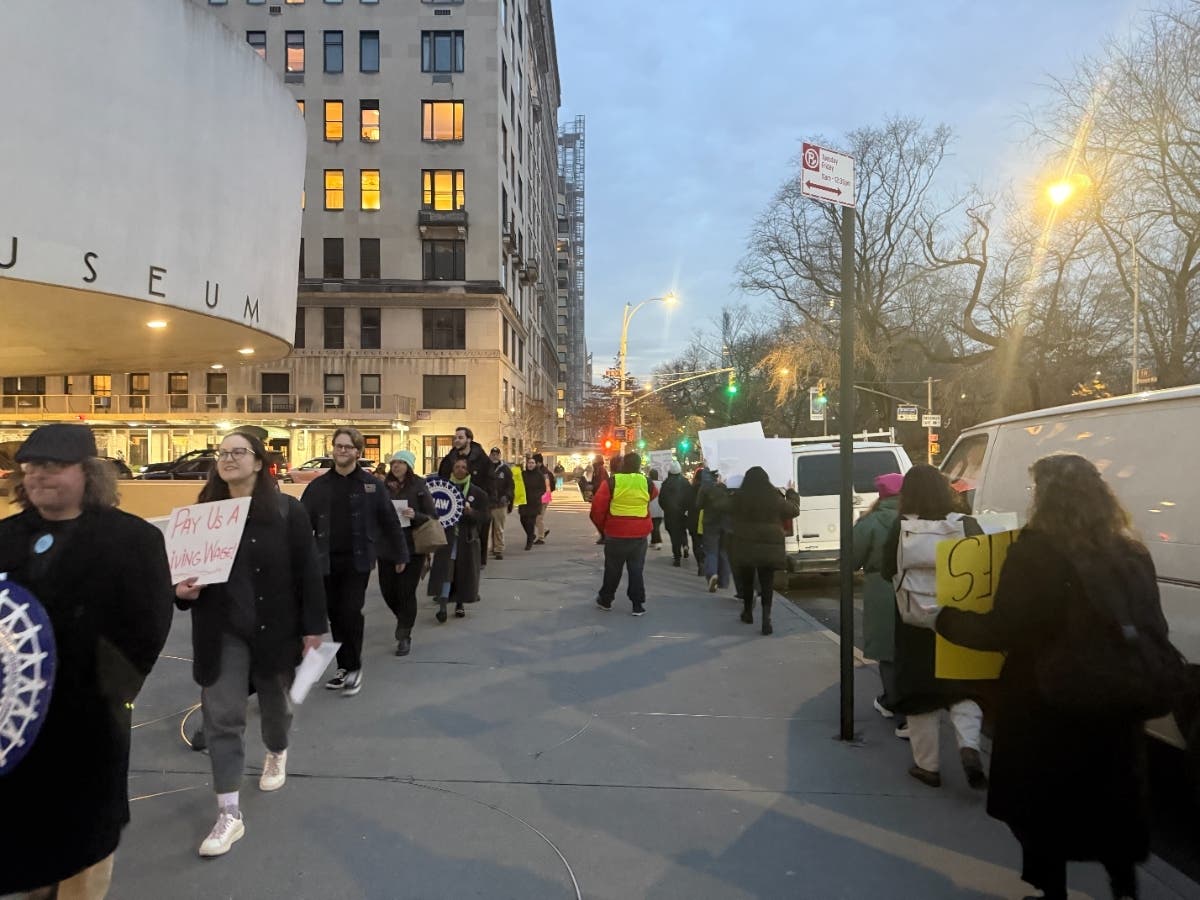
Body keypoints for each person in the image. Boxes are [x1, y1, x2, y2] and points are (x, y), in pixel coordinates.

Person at [937, 454, 1161, 900]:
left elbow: (1004, 628)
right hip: (1115, 704)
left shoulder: (1036, 552)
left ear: (1046, 497)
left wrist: (948, 620)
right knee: (1111, 804)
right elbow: (1153, 625)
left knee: (1043, 808)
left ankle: (1051, 891)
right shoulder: (1130, 550)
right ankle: (1125, 890)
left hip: (1047, 703)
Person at [0, 424, 174, 898]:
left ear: (88, 473)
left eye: (54, 466)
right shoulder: (7, 536)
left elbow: (146, 627)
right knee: (21, 843)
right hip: (14, 724)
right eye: (31, 466)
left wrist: (107, 695)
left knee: (82, 841)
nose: (38, 476)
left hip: (88, 722)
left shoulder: (131, 541)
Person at [174, 430, 326, 858]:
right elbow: (181, 575)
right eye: (222, 453)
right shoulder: (202, 515)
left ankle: (276, 750)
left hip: (275, 630)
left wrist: (314, 628)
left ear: (259, 462)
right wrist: (180, 592)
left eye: (238, 452)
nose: (228, 459)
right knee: (222, 716)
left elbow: (308, 573)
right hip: (221, 632)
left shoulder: (287, 511)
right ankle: (228, 812)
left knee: (276, 706)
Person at [880, 464, 987, 790]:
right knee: (963, 687)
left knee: (920, 694)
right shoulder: (967, 524)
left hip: (914, 622)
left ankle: (928, 767)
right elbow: (985, 568)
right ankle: (968, 745)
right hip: (958, 619)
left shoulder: (902, 527)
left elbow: (887, 570)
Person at [300, 427, 407, 697]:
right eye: (338, 446)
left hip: (358, 561)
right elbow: (301, 526)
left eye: (348, 447)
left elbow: (389, 521)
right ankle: (343, 667)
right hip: (325, 561)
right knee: (335, 614)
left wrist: (400, 554)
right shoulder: (319, 486)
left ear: (357, 452)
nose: (342, 451)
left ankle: (354, 668)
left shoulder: (371, 485)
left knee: (350, 611)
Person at [852, 473, 908, 738]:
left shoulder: (870, 522)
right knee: (912, 647)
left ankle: (892, 701)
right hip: (914, 585)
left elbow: (851, 558)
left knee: (888, 649)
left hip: (881, 587)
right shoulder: (917, 518)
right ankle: (913, 710)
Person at [727, 467, 800, 636]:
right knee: (767, 583)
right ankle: (766, 619)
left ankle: (747, 613)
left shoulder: (739, 497)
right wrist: (791, 493)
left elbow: (720, 505)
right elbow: (793, 510)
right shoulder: (774, 497)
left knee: (747, 581)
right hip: (769, 547)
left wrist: (721, 487)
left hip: (745, 545)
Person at [380, 450, 436, 656]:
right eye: (394, 462)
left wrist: (415, 515)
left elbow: (432, 514)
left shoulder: (419, 486)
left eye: (401, 462)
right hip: (387, 547)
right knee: (387, 591)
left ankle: (404, 634)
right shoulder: (382, 486)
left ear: (409, 466)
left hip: (412, 547)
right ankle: (403, 618)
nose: (396, 466)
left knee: (405, 592)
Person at [590, 452, 658, 616]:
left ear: (623, 465)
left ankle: (606, 600)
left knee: (613, 569)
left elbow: (597, 509)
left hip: (616, 533)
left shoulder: (612, 482)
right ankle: (637, 604)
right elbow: (654, 494)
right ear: (639, 465)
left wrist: (603, 527)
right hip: (639, 534)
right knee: (636, 569)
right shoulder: (646, 482)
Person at [427, 456, 490, 621]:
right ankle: (442, 606)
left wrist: (471, 513)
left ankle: (459, 603)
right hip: (446, 538)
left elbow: (485, 517)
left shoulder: (478, 493)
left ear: (468, 470)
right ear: (452, 469)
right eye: (457, 467)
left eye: (463, 467)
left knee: (463, 572)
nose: (460, 470)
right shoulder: (443, 489)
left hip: (466, 539)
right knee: (445, 572)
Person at [698, 469, 733, 592]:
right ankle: (724, 581)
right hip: (727, 523)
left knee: (711, 551)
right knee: (724, 551)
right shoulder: (730, 486)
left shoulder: (706, 487)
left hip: (710, 522)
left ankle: (712, 574)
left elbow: (698, 504)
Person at [437, 426, 492, 496]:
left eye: (460, 438)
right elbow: (442, 481)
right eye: (455, 438)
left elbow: (491, 483)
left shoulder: (483, 460)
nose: (457, 440)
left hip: (477, 503)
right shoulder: (448, 460)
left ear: (469, 439)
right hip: (453, 502)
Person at [482, 446, 515, 562]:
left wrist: (507, 496)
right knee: (486, 528)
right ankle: (487, 549)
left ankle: (499, 549)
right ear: (490, 455)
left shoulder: (505, 469)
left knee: (498, 527)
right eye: (493, 454)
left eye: (497, 454)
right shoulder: (485, 468)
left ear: (499, 455)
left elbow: (510, 485)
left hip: (500, 503)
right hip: (487, 503)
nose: (494, 456)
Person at [658, 459, 692, 567]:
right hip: (683, 513)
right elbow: (690, 498)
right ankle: (685, 545)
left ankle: (677, 557)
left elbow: (661, 500)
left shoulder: (666, 483)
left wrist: (666, 509)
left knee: (674, 536)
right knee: (682, 531)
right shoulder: (686, 482)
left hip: (670, 514)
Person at [516, 454, 545, 551]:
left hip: (534, 502)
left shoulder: (539, 475)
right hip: (524, 501)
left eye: (532, 463)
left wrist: (538, 496)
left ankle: (529, 542)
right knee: (523, 520)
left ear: (535, 464)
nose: (530, 465)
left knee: (531, 522)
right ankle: (531, 535)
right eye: (529, 463)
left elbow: (543, 488)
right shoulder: (523, 474)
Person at [687, 467, 709, 575]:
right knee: (706, 542)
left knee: (696, 542)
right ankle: (704, 560)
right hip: (706, 519)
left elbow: (685, 503)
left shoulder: (690, 489)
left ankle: (700, 562)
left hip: (693, 519)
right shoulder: (709, 489)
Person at [533, 452, 553, 544]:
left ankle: (541, 538)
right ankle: (544, 530)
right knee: (536, 517)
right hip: (542, 496)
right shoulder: (542, 471)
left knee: (538, 518)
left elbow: (548, 486)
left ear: (538, 462)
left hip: (543, 497)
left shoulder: (543, 472)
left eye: (534, 462)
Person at [588, 455, 608, 540]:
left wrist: (593, 488)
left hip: (600, 496)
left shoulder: (600, 469)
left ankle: (604, 535)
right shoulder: (598, 469)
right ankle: (603, 535)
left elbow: (600, 482)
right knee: (595, 516)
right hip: (598, 494)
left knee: (595, 516)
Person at [647, 467, 665, 550]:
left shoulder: (649, 484)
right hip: (660, 507)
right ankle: (653, 541)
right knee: (655, 525)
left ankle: (658, 542)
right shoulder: (662, 483)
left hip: (651, 507)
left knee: (654, 526)